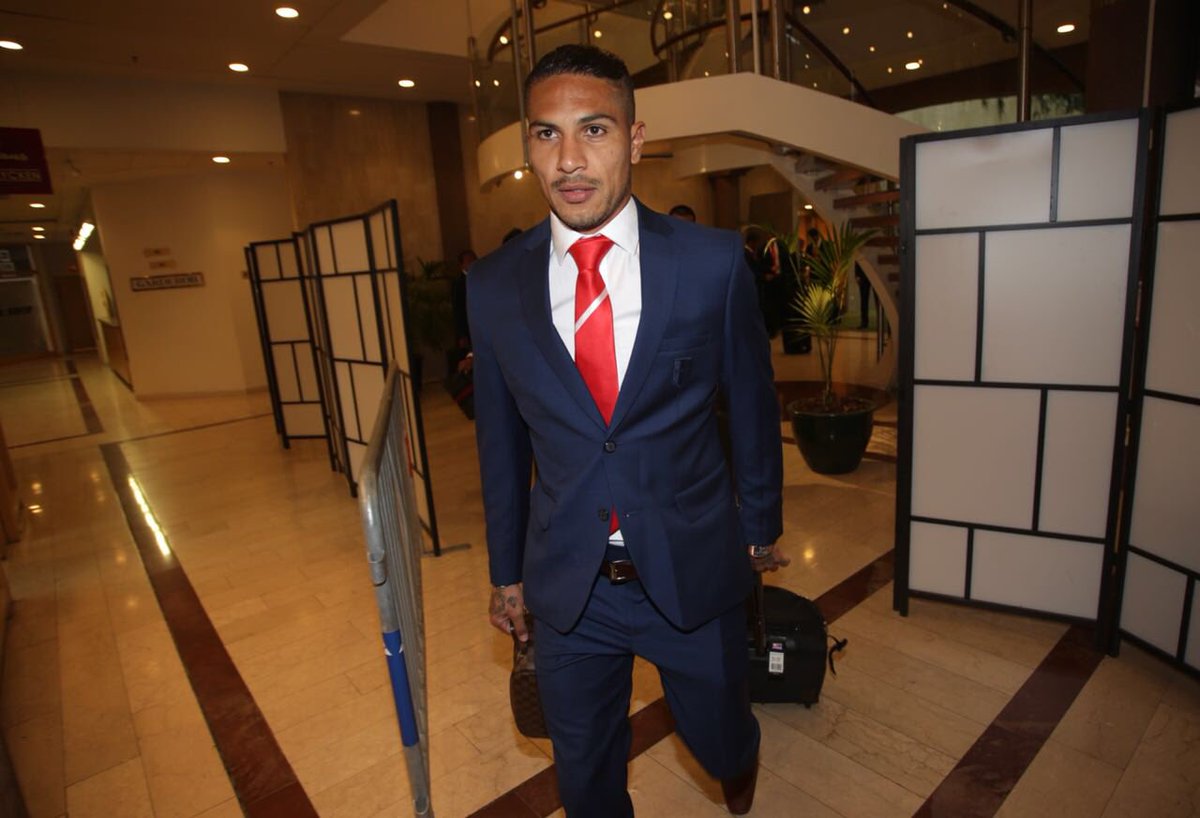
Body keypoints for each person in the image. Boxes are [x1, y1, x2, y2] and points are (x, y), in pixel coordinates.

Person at [468, 44, 787, 818]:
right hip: (569, 584)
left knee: (719, 737)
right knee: (584, 776)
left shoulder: (711, 264)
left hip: (691, 564)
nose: (569, 161)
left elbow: (752, 403)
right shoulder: (494, 285)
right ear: (528, 147)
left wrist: (760, 525)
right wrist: (506, 572)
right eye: (547, 134)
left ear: (635, 140)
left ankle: (737, 760)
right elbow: (501, 445)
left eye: (595, 130)